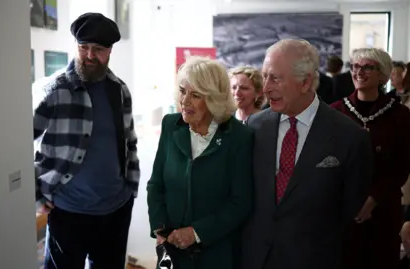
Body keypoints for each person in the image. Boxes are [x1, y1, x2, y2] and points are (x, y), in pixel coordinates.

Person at [241, 39, 373, 269]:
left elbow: (350, 205)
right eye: (265, 77)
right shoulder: (254, 126)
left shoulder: (349, 136)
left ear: (305, 83)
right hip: (256, 259)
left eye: (275, 78)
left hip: (313, 259)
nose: (266, 88)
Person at [33, 12, 139, 269]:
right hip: (68, 212)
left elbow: (129, 142)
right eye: (84, 47)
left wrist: (131, 189)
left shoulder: (119, 90)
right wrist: (36, 195)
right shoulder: (55, 91)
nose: (90, 55)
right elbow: (17, 142)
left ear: (110, 51)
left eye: (98, 49)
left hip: (115, 210)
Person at [147, 56, 253, 269]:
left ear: (214, 99)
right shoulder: (171, 125)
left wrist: (196, 233)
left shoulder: (239, 137)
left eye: (195, 95)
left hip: (215, 254)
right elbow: (156, 184)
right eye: (183, 91)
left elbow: (240, 202)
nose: (185, 101)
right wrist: (160, 229)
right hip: (172, 251)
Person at [331, 48, 410, 269]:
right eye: (355, 66)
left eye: (367, 67)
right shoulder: (334, 112)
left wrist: (373, 199)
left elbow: (402, 166)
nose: (359, 72)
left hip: (384, 209)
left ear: (383, 75)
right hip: (344, 210)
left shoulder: (401, 116)